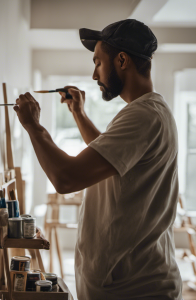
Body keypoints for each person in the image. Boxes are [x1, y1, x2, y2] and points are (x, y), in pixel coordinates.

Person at [14, 19, 182, 300]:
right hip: (131, 283)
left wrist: (34, 126)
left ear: (122, 60)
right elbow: (111, 161)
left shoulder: (142, 115)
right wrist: (79, 114)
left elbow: (67, 178)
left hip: (135, 289)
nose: (94, 75)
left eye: (98, 63)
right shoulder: (151, 111)